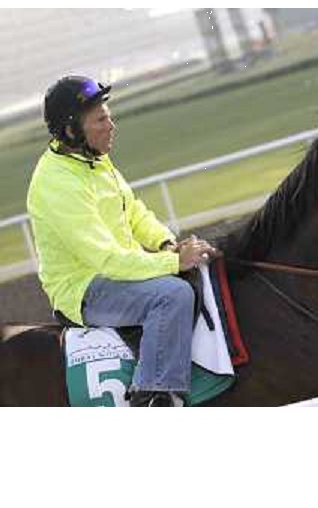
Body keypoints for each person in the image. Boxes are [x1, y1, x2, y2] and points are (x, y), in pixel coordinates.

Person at [27, 75, 219, 407]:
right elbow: (107, 260)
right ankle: (152, 395)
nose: (111, 126)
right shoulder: (55, 184)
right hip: (85, 289)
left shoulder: (94, 160)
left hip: (115, 270)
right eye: (101, 120)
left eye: (108, 116)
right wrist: (174, 262)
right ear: (72, 129)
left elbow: (134, 212)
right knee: (171, 295)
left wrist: (166, 244)